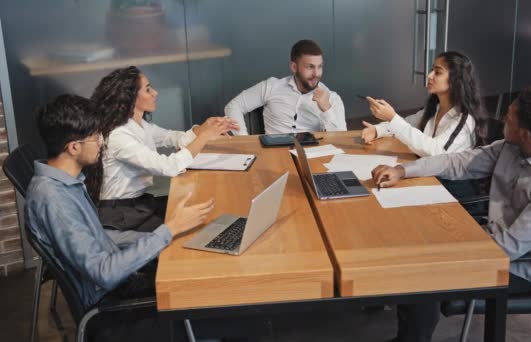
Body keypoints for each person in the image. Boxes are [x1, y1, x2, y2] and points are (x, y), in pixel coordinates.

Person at [371, 85, 531, 342]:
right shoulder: (512, 148)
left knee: (422, 271)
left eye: (510, 117)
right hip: (488, 240)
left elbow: (507, 248)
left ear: (525, 134)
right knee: (413, 240)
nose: (503, 118)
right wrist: (404, 170)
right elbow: (459, 162)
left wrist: (447, 248)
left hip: (517, 267)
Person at [25, 94, 215, 341]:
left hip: (121, 280)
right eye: (95, 136)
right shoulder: (55, 200)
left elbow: (102, 236)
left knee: (200, 274)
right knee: (219, 311)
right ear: (73, 147)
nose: (102, 142)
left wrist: (168, 235)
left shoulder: (63, 182)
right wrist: (167, 231)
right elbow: (104, 272)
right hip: (114, 308)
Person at [86, 66, 238, 232]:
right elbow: (169, 167)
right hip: (120, 214)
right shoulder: (118, 136)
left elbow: (171, 138)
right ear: (130, 98)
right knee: (195, 224)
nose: (155, 93)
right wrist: (204, 136)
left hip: (139, 203)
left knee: (200, 208)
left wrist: (204, 128)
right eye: (148, 89)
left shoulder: (138, 124)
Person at [362, 51, 484, 157]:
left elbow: (435, 152)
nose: (429, 75)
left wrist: (392, 117)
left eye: (438, 72)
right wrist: (377, 130)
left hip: (448, 183)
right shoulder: (435, 109)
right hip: (429, 173)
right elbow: (406, 124)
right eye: (432, 70)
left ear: (455, 80)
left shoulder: (464, 120)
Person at [224, 39, 347, 135]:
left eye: (319, 66)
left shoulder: (332, 99)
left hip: (312, 158)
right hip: (274, 156)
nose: (316, 74)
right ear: (294, 67)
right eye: (310, 67)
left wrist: (326, 110)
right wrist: (246, 142)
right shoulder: (271, 86)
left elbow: (341, 141)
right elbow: (233, 106)